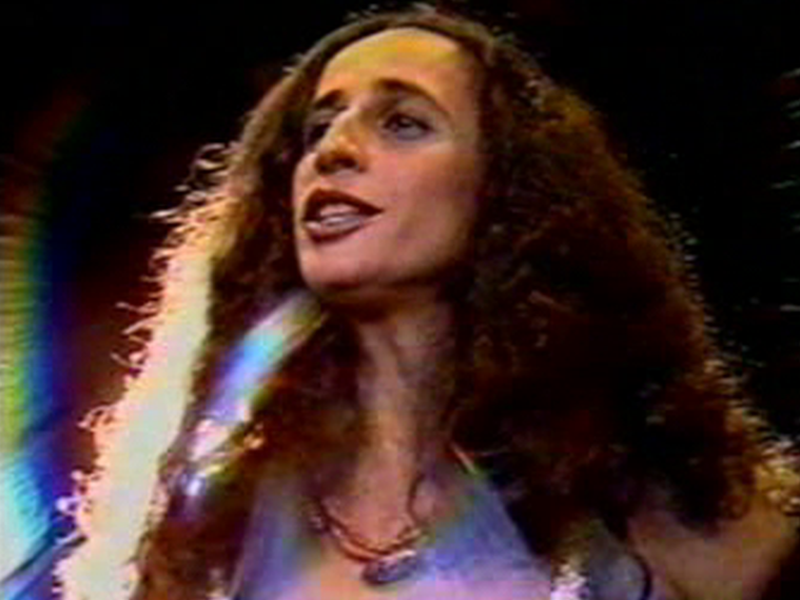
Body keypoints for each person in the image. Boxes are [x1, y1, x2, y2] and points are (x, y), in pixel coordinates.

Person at [56, 4, 800, 599]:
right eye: (318, 128)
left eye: (403, 123)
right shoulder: (216, 509)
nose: (333, 150)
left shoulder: (626, 481)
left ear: (506, 192)